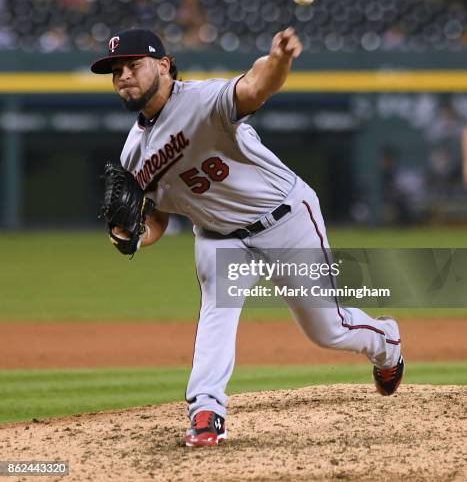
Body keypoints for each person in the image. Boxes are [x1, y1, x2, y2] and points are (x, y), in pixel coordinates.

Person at [91, 27, 404, 447]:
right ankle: (206, 411)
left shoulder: (202, 101)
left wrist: (280, 60)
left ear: (163, 65)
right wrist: (133, 236)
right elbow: (159, 216)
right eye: (116, 71)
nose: (124, 76)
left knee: (326, 329)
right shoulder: (133, 153)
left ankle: (387, 343)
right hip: (220, 238)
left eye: (133, 65)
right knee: (217, 313)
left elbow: (256, 86)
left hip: (284, 219)